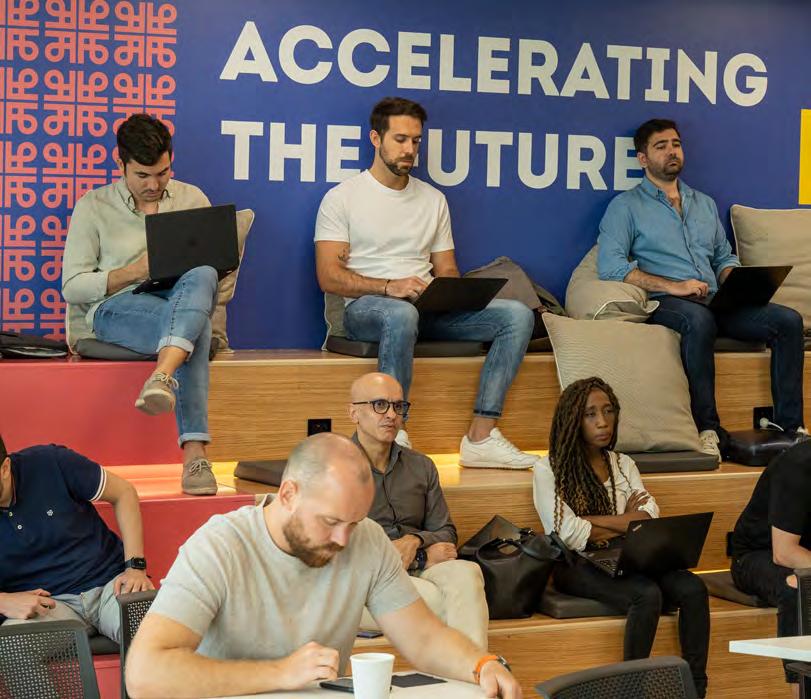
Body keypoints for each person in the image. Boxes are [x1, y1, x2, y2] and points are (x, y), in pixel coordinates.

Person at [126, 432, 520, 698]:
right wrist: (281, 673)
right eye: (331, 521)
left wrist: (482, 663)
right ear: (288, 494)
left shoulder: (367, 539)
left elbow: (424, 638)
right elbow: (145, 675)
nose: (343, 540)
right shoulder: (219, 546)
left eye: (354, 522)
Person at [314, 96, 536, 470]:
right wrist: (390, 286)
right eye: (400, 139)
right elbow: (328, 276)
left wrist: (445, 292)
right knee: (401, 314)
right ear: (375, 139)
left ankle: (481, 437)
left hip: (425, 308)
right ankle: (393, 431)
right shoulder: (342, 198)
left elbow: (446, 268)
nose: (410, 149)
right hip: (368, 309)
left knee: (516, 316)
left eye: (416, 141)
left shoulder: (433, 200)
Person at [597, 118, 806, 460]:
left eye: (676, 144)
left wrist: (734, 279)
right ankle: (707, 429)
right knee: (699, 321)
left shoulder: (704, 203)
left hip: (715, 299)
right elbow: (612, 266)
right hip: (668, 303)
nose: (672, 151)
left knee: (788, 320)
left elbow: (723, 256)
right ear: (643, 159)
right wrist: (674, 286)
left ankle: (790, 429)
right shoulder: (626, 207)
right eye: (661, 146)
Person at [62, 113, 219, 495]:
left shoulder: (193, 199)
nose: (153, 185)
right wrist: (134, 271)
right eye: (142, 175)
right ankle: (195, 455)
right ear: (120, 163)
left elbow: (213, 272)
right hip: (115, 307)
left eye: (162, 173)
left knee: (204, 273)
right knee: (195, 328)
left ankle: (162, 375)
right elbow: (72, 287)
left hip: (179, 299)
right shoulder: (93, 206)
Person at [532, 378, 710, 697]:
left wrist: (594, 521)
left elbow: (648, 516)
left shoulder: (623, 464)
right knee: (646, 595)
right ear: (573, 420)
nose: (602, 422)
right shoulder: (549, 470)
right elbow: (569, 534)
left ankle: (696, 690)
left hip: (629, 554)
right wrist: (625, 520)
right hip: (576, 564)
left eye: (608, 411)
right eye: (590, 414)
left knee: (694, 588)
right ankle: (632, 692)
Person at [350, 372, 489, 649]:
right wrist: (422, 557)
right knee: (448, 603)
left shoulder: (421, 466)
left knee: (467, 573)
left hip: (420, 572)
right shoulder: (337, 467)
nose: (391, 415)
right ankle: (474, 670)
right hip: (363, 584)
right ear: (354, 412)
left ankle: (474, 669)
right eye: (380, 405)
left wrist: (414, 541)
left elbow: (446, 532)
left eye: (398, 406)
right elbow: (341, 551)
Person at [0, 435, 154, 641]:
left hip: (111, 584)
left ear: (5, 468)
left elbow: (123, 492)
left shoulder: (50, 462)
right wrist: (3, 601)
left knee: (159, 634)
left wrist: (135, 567)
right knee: (10, 646)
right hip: (48, 606)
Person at [730, 439, 811, 695]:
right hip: (757, 555)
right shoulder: (798, 465)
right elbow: (785, 553)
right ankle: (801, 686)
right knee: (799, 586)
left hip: (803, 552)